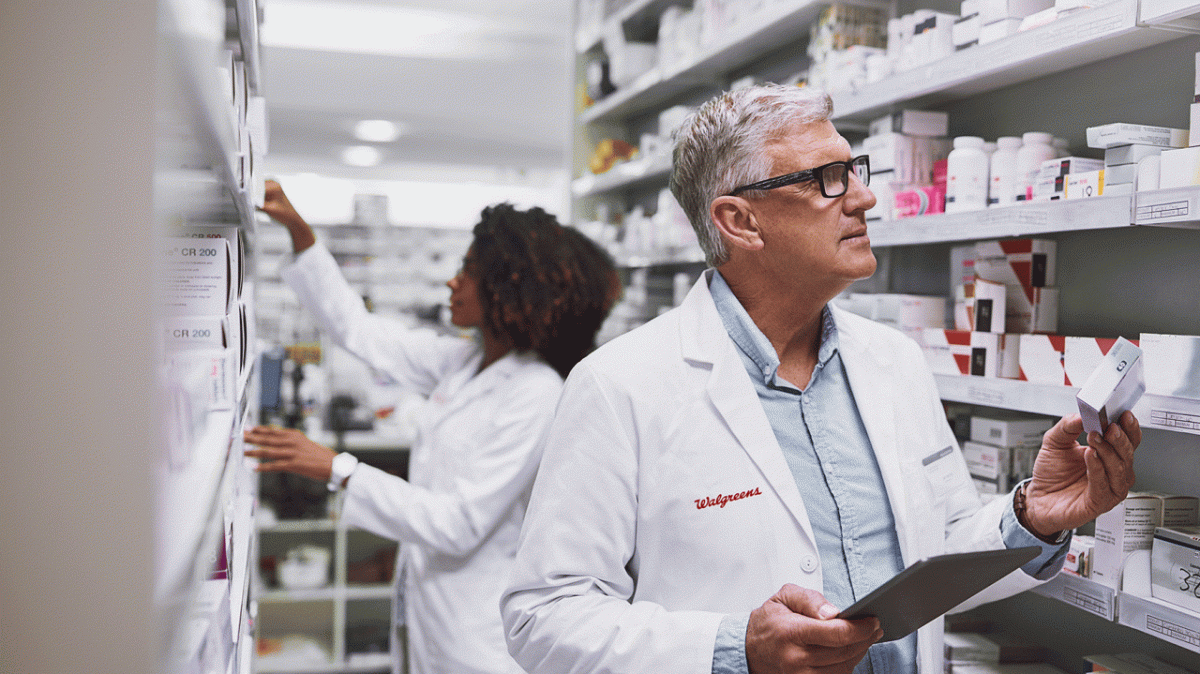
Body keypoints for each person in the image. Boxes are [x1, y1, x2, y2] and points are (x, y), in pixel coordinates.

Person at [500, 83, 1142, 674]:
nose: (864, 197)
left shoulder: (892, 360)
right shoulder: (620, 385)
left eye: (854, 171)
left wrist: (1034, 518)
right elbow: (542, 615)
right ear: (740, 221)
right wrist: (734, 648)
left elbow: (936, 555)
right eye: (828, 179)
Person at [245, 180, 618, 674]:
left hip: (476, 635)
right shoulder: (463, 361)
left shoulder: (536, 392)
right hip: (429, 612)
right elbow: (360, 330)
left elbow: (458, 524)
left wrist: (336, 468)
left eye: (468, 271)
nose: (452, 282)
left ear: (508, 291)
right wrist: (302, 235)